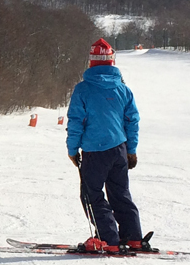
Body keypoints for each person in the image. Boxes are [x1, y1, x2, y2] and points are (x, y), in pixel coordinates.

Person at [66, 38, 143, 253]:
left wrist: (72, 150)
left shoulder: (83, 89)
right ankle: (133, 236)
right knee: (120, 193)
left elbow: (75, 122)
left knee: (92, 195)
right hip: (119, 149)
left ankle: (109, 239)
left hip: (94, 151)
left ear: (91, 61)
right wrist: (131, 150)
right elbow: (132, 121)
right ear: (112, 61)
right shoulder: (123, 89)